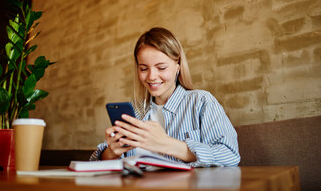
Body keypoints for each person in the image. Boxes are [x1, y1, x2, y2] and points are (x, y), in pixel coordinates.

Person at [90, 27, 240, 167]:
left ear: (178, 66)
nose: (152, 76)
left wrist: (166, 144)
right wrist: (111, 152)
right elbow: (95, 161)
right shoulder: (134, 111)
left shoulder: (201, 102)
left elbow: (230, 155)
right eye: (143, 68)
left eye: (161, 68)